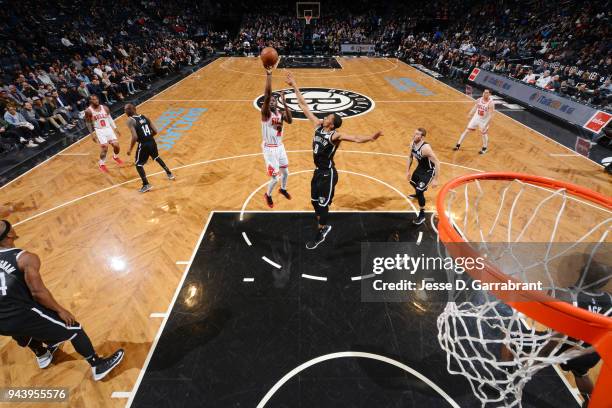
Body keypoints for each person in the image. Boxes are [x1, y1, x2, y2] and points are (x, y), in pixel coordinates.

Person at [0, 220, 124, 379]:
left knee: (19, 331)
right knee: (73, 328)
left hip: (2, 321)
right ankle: (98, 365)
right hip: (21, 314)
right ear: (10, 234)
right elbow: (38, 292)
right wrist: (61, 310)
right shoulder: (25, 258)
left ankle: (42, 354)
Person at [285, 72, 383, 249]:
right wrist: (294, 85)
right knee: (314, 202)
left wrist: (371, 138)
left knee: (322, 205)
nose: (324, 117)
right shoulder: (317, 126)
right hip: (318, 171)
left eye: (328, 117)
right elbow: (304, 105)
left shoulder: (334, 135)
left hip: (328, 174)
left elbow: (355, 138)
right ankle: (322, 222)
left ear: (331, 124)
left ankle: (322, 231)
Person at [125, 104, 175, 192]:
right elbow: (155, 131)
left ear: (131, 109)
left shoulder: (130, 121)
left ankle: (146, 184)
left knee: (138, 165)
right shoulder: (145, 117)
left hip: (143, 144)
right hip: (152, 141)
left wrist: (130, 149)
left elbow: (135, 137)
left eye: (126, 109)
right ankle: (169, 173)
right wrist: (148, 137)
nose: (125, 111)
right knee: (156, 157)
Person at [261, 68, 293, 208]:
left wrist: (285, 104)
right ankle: (268, 194)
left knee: (286, 172)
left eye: (275, 100)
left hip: (280, 147)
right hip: (269, 149)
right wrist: (269, 75)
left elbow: (290, 121)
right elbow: (267, 95)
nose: (272, 102)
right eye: (270, 101)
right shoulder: (265, 114)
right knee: (275, 178)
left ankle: (283, 189)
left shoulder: (280, 113)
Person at [407, 128, 440, 225]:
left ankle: (422, 215)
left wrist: (435, 179)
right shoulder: (412, 143)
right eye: (415, 133)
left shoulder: (426, 148)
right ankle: (419, 192)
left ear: (422, 137)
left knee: (419, 190)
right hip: (420, 168)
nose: (415, 135)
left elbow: (437, 162)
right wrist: (407, 171)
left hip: (429, 171)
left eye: (417, 134)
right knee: (412, 182)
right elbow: (410, 157)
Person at [85, 95, 124, 173]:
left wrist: (115, 129)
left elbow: (110, 118)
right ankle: (101, 163)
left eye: (96, 99)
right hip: (99, 130)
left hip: (108, 129)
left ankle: (115, 157)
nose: (96, 100)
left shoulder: (105, 108)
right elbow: (88, 123)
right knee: (105, 148)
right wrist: (92, 134)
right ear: (90, 101)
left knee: (116, 146)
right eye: (93, 99)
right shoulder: (88, 111)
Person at [454, 89, 495, 154]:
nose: (484, 93)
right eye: (484, 92)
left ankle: (484, 148)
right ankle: (458, 145)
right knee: (466, 131)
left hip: (484, 121)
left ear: (489, 94)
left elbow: (491, 115)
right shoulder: (479, 99)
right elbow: (475, 107)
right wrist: (470, 113)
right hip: (476, 118)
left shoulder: (491, 103)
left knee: (483, 134)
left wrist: (486, 124)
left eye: (486, 93)